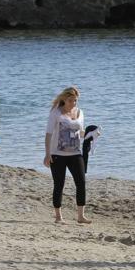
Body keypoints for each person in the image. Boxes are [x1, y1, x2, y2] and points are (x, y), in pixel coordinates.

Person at [43, 87, 91, 224]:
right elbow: (48, 134)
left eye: (75, 101)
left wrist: (91, 134)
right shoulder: (56, 112)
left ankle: (81, 216)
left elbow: (80, 133)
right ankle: (58, 216)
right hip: (57, 154)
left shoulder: (80, 113)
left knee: (81, 182)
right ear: (64, 99)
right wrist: (47, 154)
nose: (73, 103)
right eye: (71, 100)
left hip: (76, 153)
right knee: (59, 184)